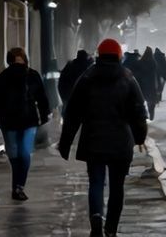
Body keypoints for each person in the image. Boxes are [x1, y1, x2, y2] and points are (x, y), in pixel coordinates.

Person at [59, 38, 148, 237]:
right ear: (119, 55)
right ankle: (111, 230)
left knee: (96, 183)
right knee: (117, 187)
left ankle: (96, 222)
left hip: (93, 141)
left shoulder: (87, 77)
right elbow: (138, 111)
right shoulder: (128, 78)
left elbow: (72, 112)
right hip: (120, 144)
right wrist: (140, 136)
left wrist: (65, 143)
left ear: (98, 54)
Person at [0, 47, 50, 201]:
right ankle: (18, 185)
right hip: (24, 120)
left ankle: (18, 185)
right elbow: (42, 98)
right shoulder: (31, 76)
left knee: (17, 153)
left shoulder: (4, 77)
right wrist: (44, 116)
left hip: (12, 121)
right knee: (21, 153)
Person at [58, 49, 93, 114]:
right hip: (81, 98)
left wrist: (64, 97)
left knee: (68, 114)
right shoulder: (87, 67)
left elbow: (61, 82)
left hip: (68, 95)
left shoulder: (69, 66)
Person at [135, 48, 159, 121]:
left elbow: (137, 74)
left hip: (142, 85)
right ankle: (151, 115)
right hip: (151, 85)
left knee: (142, 101)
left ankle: (144, 116)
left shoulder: (140, 62)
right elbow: (156, 75)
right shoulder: (153, 62)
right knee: (151, 102)